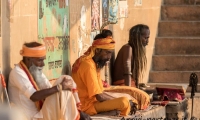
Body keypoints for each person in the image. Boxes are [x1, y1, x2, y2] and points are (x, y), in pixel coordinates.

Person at [72, 31, 149, 116]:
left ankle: (107, 111)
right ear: (97, 50)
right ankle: (106, 111)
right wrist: (121, 100)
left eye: (110, 54)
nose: (109, 57)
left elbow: (100, 92)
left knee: (128, 99)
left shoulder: (92, 63)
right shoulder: (88, 65)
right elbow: (100, 96)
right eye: (107, 53)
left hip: (92, 102)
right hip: (86, 106)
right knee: (124, 102)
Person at [8, 42, 91, 120]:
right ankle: (77, 116)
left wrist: (61, 87)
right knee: (62, 86)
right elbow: (34, 96)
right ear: (28, 59)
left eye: (43, 60)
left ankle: (78, 113)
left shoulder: (35, 71)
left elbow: (51, 91)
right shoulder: (17, 72)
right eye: (40, 60)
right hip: (32, 117)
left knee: (66, 79)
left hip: (41, 113)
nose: (43, 64)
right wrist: (60, 86)